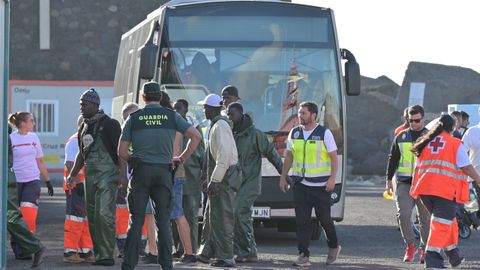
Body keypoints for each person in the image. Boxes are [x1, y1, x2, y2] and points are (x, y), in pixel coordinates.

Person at [118, 82, 201, 270]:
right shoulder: (172, 117)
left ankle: (128, 265)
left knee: (136, 220)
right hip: (164, 172)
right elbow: (196, 136)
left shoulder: (134, 118)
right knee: (163, 221)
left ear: (143, 97)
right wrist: (181, 158)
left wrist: (133, 159)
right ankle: (166, 265)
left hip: (141, 173)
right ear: (161, 97)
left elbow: (121, 151)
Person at [410, 114, 480, 269]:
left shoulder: (426, 142)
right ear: (453, 128)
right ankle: (433, 259)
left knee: (449, 223)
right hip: (444, 191)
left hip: (425, 190)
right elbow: (466, 166)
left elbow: (417, 168)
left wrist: (413, 187)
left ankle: (454, 256)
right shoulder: (454, 143)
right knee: (441, 225)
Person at [278, 101, 341, 267]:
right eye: (299, 113)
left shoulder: (324, 133)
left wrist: (332, 179)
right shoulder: (295, 133)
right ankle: (303, 255)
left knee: (325, 220)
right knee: (302, 221)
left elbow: (334, 158)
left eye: (303, 113)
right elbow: (289, 156)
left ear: (313, 115)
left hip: (321, 186)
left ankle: (334, 246)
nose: (300, 116)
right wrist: (283, 177)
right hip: (300, 185)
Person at [66, 88, 122, 266]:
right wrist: (73, 175)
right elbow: (82, 154)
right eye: (81, 104)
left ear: (96, 105)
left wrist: (123, 175)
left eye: (85, 104)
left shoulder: (111, 124)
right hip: (90, 176)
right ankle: (99, 254)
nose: (82, 107)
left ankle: (106, 255)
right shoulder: (83, 126)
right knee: (92, 215)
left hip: (108, 174)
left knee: (104, 213)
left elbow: (121, 152)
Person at [226, 102, 283, 263]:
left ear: (241, 115)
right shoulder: (229, 132)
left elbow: (272, 154)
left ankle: (248, 251)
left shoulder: (255, 134)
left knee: (239, 212)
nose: (229, 117)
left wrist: (284, 175)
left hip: (250, 183)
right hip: (233, 183)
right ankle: (244, 251)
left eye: (232, 115)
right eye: (228, 114)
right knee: (237, 216)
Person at [197, 94, 242, 268]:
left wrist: (215, 180)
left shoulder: (220, 126)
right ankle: (208, 252)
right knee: (211, 216)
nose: (203, 110)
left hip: (224, 177)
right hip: (220, 175)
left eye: (205, 107)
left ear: (213, 109)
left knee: (222, 217)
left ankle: (226, 256)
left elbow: (223, 156)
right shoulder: (216, 125)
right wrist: (206, 177)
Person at [385, 105, 430, 263]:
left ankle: (425, 249)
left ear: (423, 118)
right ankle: (411, 246)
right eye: (411, 121)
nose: (414, 123)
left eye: (417, 120)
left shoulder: (430, 137)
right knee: (403, 215)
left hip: (424, 184)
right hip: (404, 183)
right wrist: (388, 180)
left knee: (425, 219)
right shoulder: (401, 136)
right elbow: (393, 158)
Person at [8, 112, 53, 259]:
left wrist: (47, 181)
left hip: (32, 181)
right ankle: (19, 251)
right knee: (16, 217)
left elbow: (40, 160)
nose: (33, 123)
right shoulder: (11, 138)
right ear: (22, 123)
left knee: (28, 215)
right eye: (31, 121)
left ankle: (29, 248)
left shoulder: (34, 138)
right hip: (16, 182)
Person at [116, 102, 149, 261]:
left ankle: (141, 247)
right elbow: (121, 156)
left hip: (141, 178)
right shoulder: (124, 131)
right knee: (123, 215)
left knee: (141, 213)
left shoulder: (143, 129)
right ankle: (124, 246)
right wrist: (122, 177)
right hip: (127, 180)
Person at [172, 99, 205, 258]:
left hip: (192, 179)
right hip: (175, 177)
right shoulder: (171, 126)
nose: (176, 111)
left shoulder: (194, 129)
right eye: (174, 108)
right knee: (175, 215)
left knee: (191, 216)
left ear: (186, 110)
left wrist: (204, 176)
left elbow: (203, 155)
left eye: (179, 108)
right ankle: (177, 249)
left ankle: (190, 249)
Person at [63, 115, 94, 263]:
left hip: (83, 186)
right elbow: (70, 164)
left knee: (84, 220)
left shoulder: (83, 139)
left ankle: (85, 251)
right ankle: (70, 252)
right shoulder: (75, 140)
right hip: (76, 187)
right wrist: (79, 183)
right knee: (75, 219)